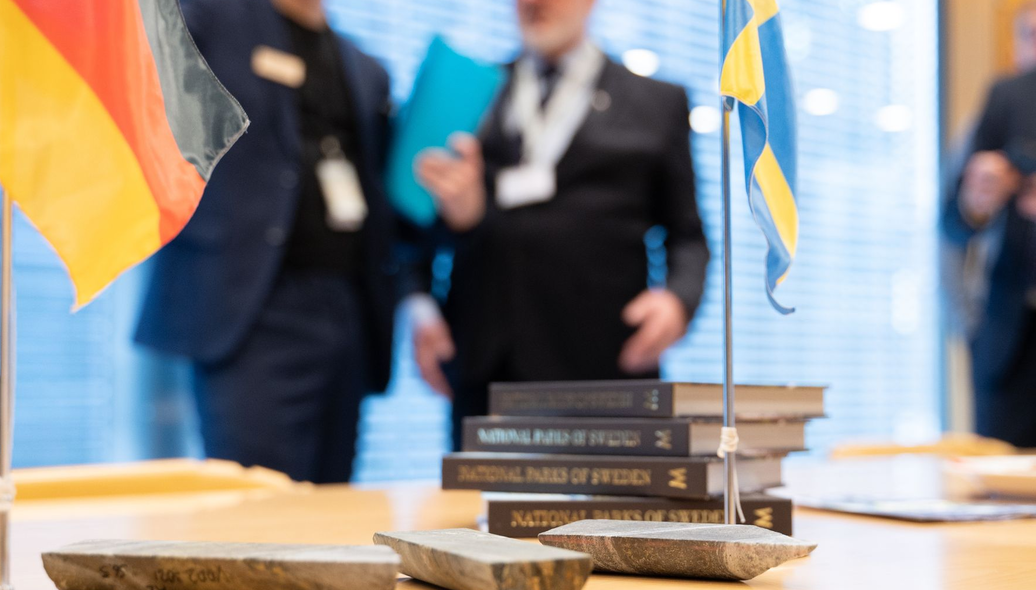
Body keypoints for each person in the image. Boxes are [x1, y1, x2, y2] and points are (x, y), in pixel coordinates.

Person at [136, 0, 413, 482]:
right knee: (256, 512)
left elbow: (388, 198)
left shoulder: (367, 72)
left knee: (332, 510)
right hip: (253, 305)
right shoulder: (207, 21)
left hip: (345, 309)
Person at [410, 0, 710, 444]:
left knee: (613, 512)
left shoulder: (658, 102)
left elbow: (687, 235)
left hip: (608, 364)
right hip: (489, 364)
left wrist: (678, 302)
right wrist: (419, 305)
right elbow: (412, 224)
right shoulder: (469, 93)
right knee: (479, 510)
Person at [945, 2, 1036, 447]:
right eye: (1031, 37)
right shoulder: (993, 115)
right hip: (1006, 339)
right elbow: (950, 227)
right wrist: (979, 200)